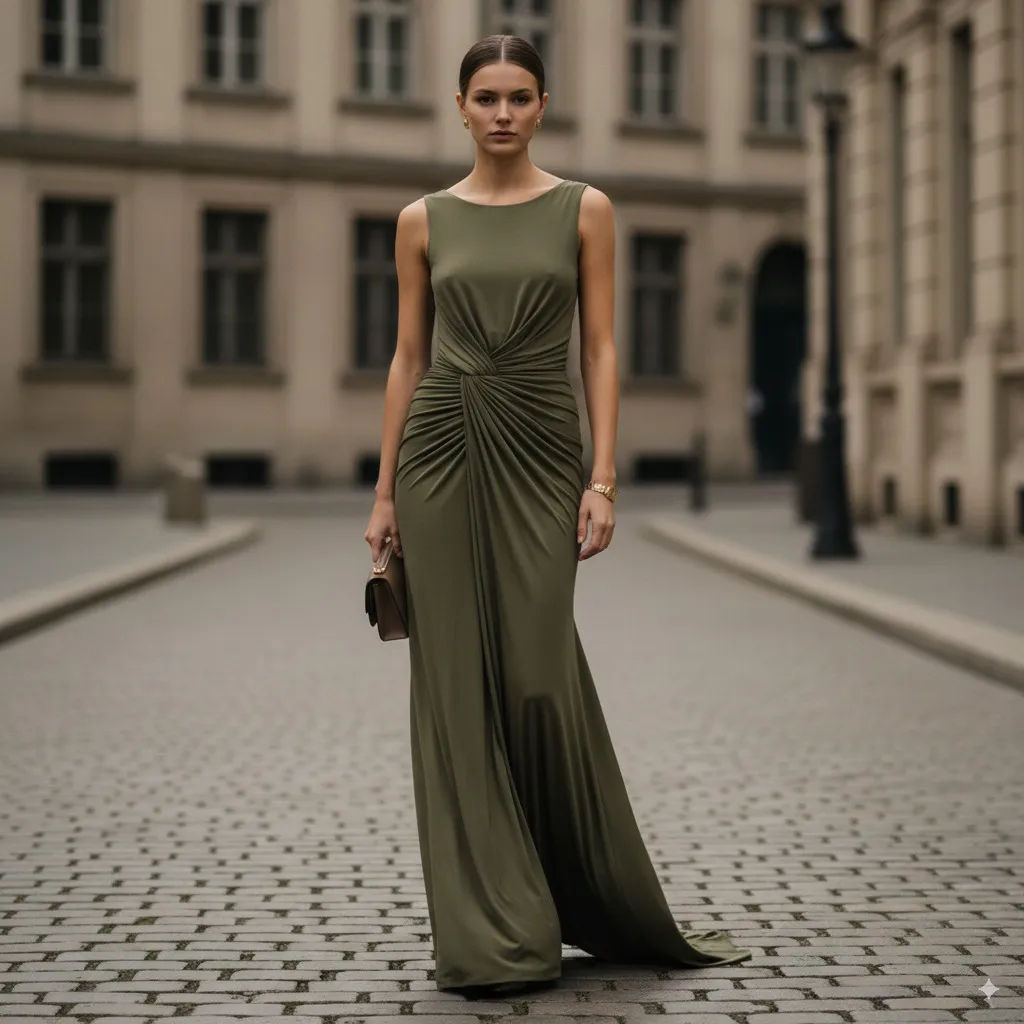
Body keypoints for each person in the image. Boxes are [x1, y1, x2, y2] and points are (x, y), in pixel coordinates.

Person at [363, 34, 752, 1000]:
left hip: (543, 454)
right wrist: (381, 494)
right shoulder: (421, 220)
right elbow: (409, 358)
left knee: (537, 678)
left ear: (544, 106)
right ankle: (494, 932)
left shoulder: (587, 209)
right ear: (459, 106)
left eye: (521, 96)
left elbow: (605, 349)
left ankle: (586, 891)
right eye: (486, 96)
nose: (503, 113)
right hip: (440, 453)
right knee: (453, 685)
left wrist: (604, 477)